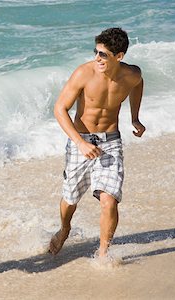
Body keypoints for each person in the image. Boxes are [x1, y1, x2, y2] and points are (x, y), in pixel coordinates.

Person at [49, 28, 145, 258]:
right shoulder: (84, 73)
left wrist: (135, 117)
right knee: (70, 197)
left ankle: (103, 253)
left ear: (119, 56)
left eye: (103, 54)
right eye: (96, 52)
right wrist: (80, 143)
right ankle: (64, 229)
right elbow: (59, 109)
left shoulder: (131, 74)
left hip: (111, 141)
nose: (97, 58)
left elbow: (138, 84)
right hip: (80, 140)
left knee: (109, 200)